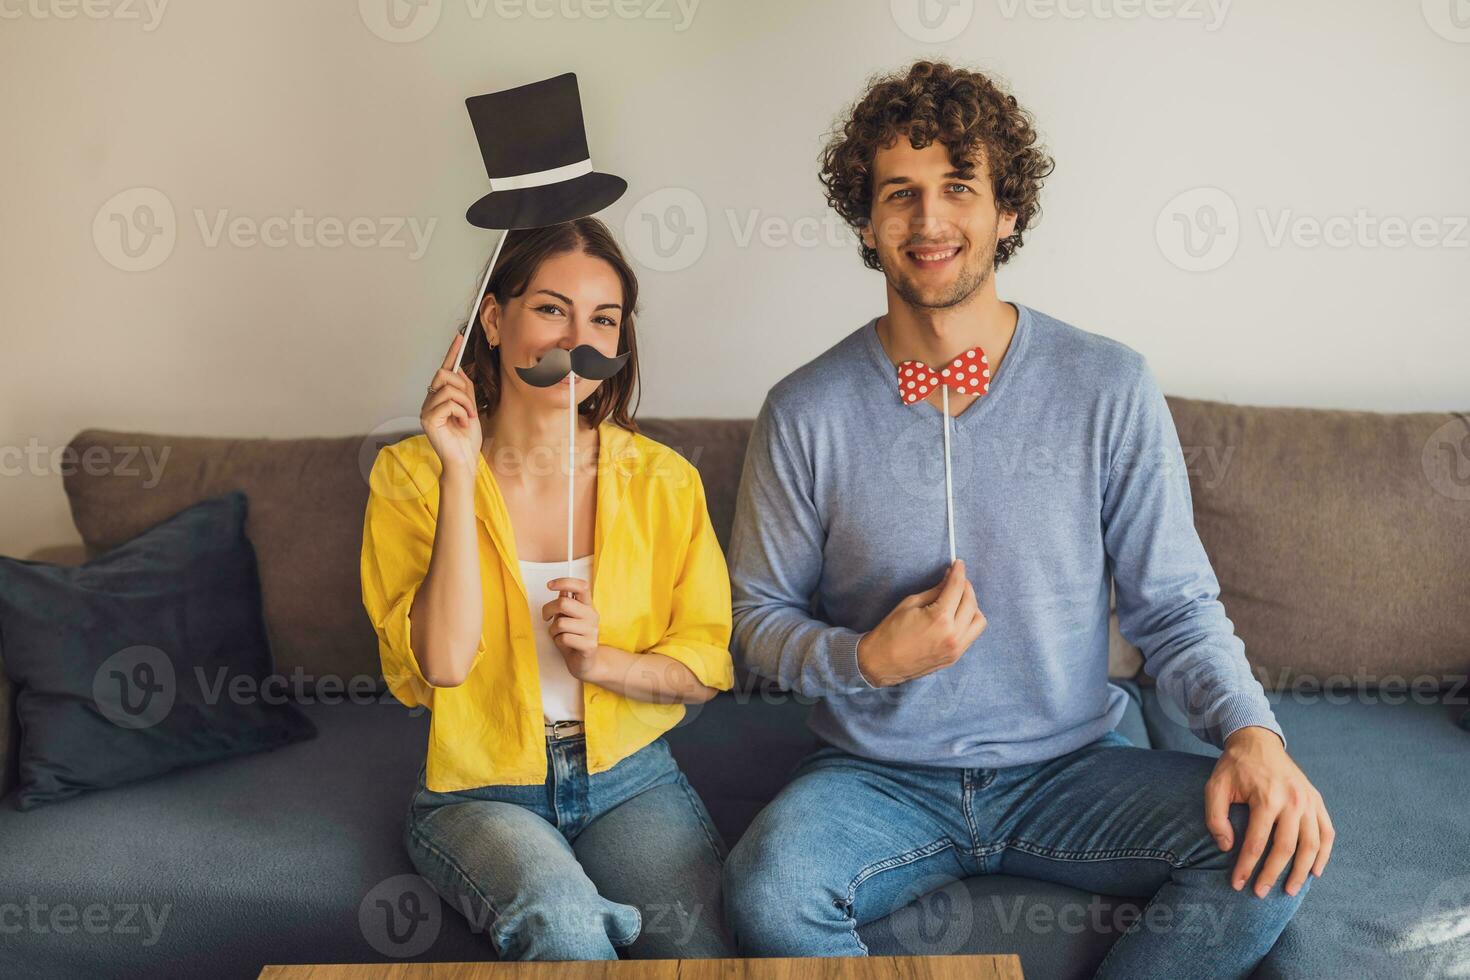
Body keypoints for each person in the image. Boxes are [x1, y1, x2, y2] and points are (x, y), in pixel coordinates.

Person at [721, 60, 1333, 979]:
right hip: (876, 778)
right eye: (901, 194)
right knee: (763, 893)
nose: (930, 222)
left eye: (959, 188)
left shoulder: (1108, 386)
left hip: (1073, 767)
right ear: (865, 220)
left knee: (1272, 850)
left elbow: (1175, 606)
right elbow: (751, 618)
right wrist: (865, 659)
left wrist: (1253, 735)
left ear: (1007, 212)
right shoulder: (804, 410)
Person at [360, 217, 736, 960]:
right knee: (565, 929)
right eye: (551, 309)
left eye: (602, 319)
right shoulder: (411, 476)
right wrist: (461, 469)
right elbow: (439, 664)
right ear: (494, 319)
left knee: (703, 953)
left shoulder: (664, 480)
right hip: (481, 792)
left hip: (631, 780)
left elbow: (704, 668)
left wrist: (606, 664)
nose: (577, 342)